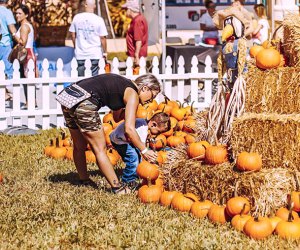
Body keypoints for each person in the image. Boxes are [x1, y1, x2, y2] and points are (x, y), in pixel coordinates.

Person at [61, 73, 161, 194]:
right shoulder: (133, 94)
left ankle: (84, 180)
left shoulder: (124, 85)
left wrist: (131, 112)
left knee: (79, 146)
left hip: (68, 96)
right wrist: (144, 150)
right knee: (100, 149)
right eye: (152, 97)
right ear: (145, 88)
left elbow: (117, 117)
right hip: (84, 102)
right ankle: (117, 188)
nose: (150, 101)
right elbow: (129, 129)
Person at [110, 112, 170, 190]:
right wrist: (147, 156)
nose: (158, 134)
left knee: (137, 155)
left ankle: (135, 172)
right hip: (119, 140)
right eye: (158, 132)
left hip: (121, 138)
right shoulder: (143, 129)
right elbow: (141, 148)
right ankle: (128, 182)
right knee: (133, 158)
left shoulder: (143, 123)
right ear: (153, 124)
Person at [69, 0, 108, 77]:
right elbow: (102, 38)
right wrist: (105, 52)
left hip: (80, 54)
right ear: (94, 6)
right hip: (95, 54)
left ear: (85, 5)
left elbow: (73, 34)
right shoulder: (99, 19)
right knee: (94, 81)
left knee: (81, 81)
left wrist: (76, 46)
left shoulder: (77, 18)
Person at [14, 4, 37, 109]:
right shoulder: (27, 25)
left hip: (26, 53)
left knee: (27, 78)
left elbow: (23, 42)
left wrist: (14, 34)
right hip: (28, 53)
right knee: (27, 78)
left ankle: (30, 102)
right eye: (16, 13)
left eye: (20, 13)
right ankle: (31, 101)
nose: (17, 15)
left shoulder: (24, 26)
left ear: (26, 15)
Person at [122, 0, 148, 67]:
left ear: (131, 10)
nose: (125, 11)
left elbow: (138, 40)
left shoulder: (137, 21)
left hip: (137, 56)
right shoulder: (136, 20)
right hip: (135, 54)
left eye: (126, 9)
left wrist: (136, 55)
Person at [0, 0, 17, 103]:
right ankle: (11, 95)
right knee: (8, 71)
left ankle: (4, 94)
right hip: (5, 43)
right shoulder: (7, 12)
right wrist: (19, 40)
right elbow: (12, 29)